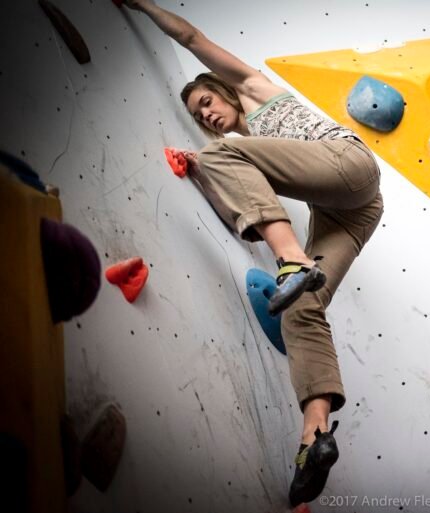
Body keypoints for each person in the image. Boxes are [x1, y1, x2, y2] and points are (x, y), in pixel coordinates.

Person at [122, 1, 384, 505]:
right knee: (300, 309)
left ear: (222, 89)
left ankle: (292, 262)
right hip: (353, 210)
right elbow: (246, 210)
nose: (209, 114)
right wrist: (198, 172)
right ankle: (314, 438)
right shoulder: (245, 152)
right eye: (200, 114)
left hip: (350, 165)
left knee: (224, 158)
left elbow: (193, 38)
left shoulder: (255, 90)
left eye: (206, 102)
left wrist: (142, 4)